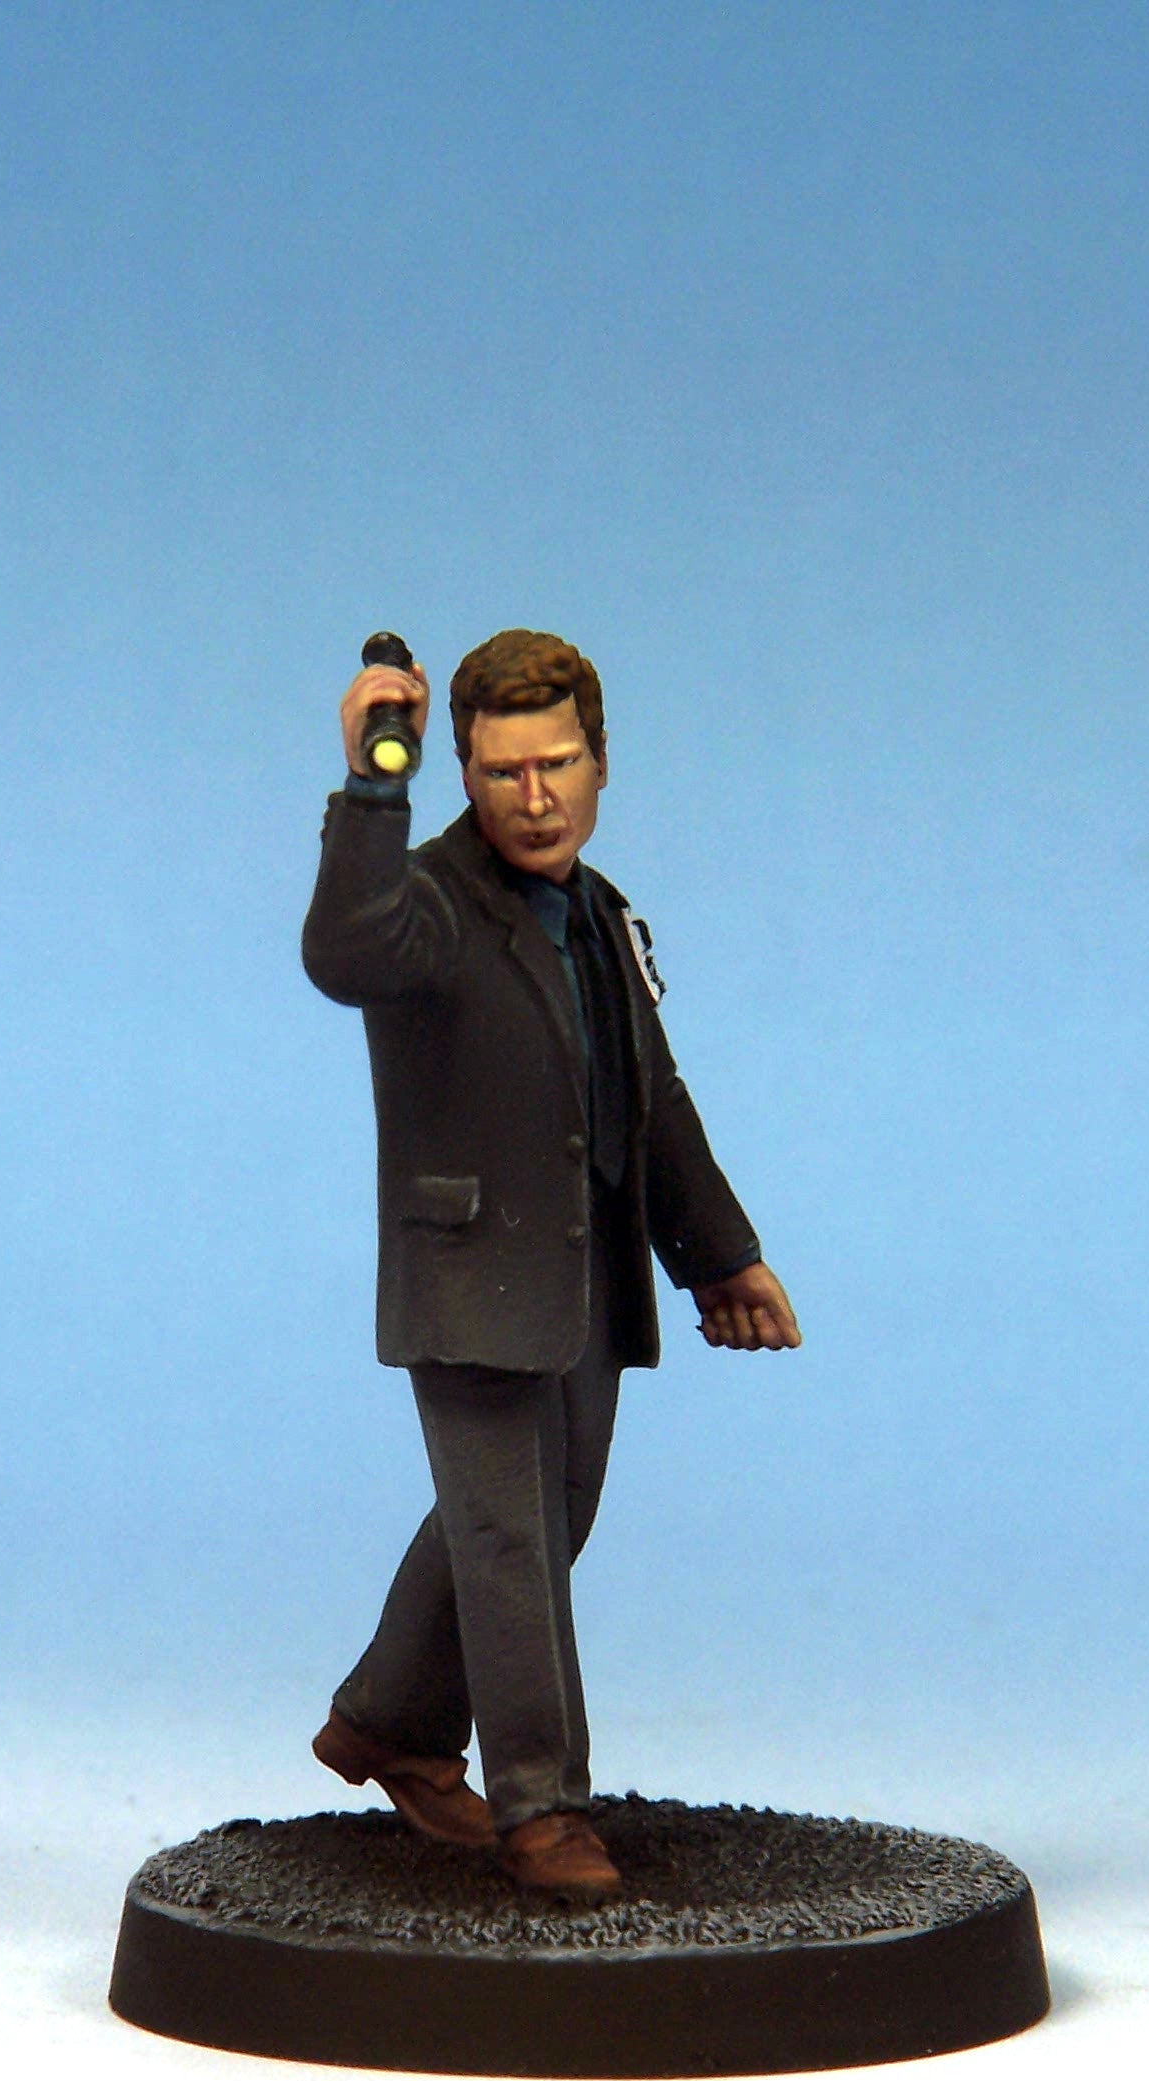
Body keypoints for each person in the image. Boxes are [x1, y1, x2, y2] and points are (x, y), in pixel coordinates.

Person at [302, 629, 800, 1901]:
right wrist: (370, 788)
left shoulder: (600, 913)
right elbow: (344, 952)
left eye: (558, 765)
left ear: (600, 762)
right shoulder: (421, 902)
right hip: (471, 1280)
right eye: (502, 772)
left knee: (539, 1519)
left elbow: (653, 1098)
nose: (535, 798)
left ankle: (386, 1721)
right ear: (464, 773)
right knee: (511, 1546)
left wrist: (721, 1259)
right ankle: (543, 1809)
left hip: (586, 1282)